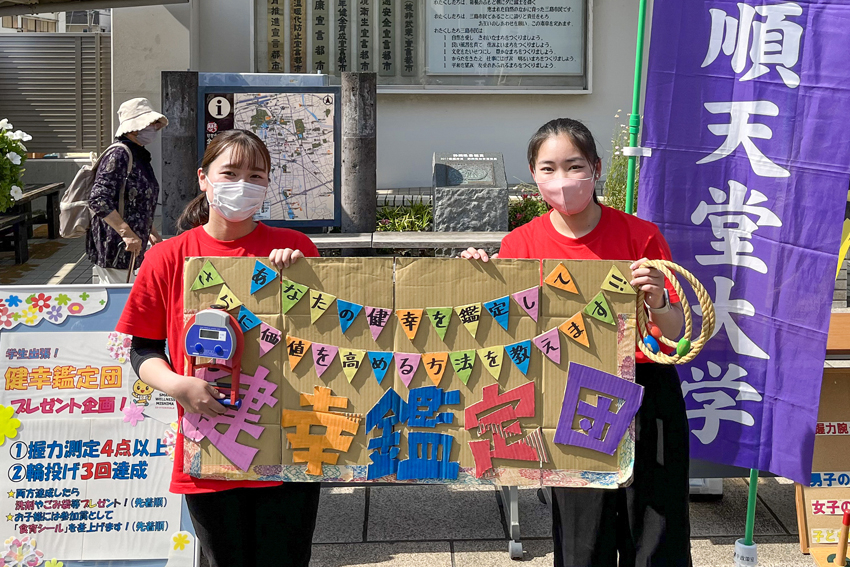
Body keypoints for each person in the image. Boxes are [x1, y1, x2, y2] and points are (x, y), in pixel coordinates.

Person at [462, 118, 691, 567]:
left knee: (656, 535)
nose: (562, 180)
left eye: (574, 166)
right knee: (583, 542)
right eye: (548, 169)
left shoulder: (639, 236)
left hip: (647, 396)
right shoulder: (520, 245)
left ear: (597, 167)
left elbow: (678, 330)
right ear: (532, 175)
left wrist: (658, 298)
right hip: (568, 401)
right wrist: (477, 281)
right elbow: (501, 338)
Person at [115, 129, 321, 567]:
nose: (242, 184)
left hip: (290, 442)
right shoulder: (168, 257)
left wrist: (302, 277)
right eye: (229, 173)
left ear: (268, 185)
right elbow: (143, 350)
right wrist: (178, 385)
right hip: (210, 441)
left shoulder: (297, 249)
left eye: (256, 175)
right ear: (204, 178)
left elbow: (330, 339)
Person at [87, 97, 167, 283]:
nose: (154, 128)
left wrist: (151, 232)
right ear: (135, 127)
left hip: (131, 246)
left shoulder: (138, 155)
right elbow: (98, 199)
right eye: (150, 123)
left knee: (129, 297)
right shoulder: (120, 154)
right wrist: (127, 234)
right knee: (121, 301)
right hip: (116, 246)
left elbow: (138, 204)